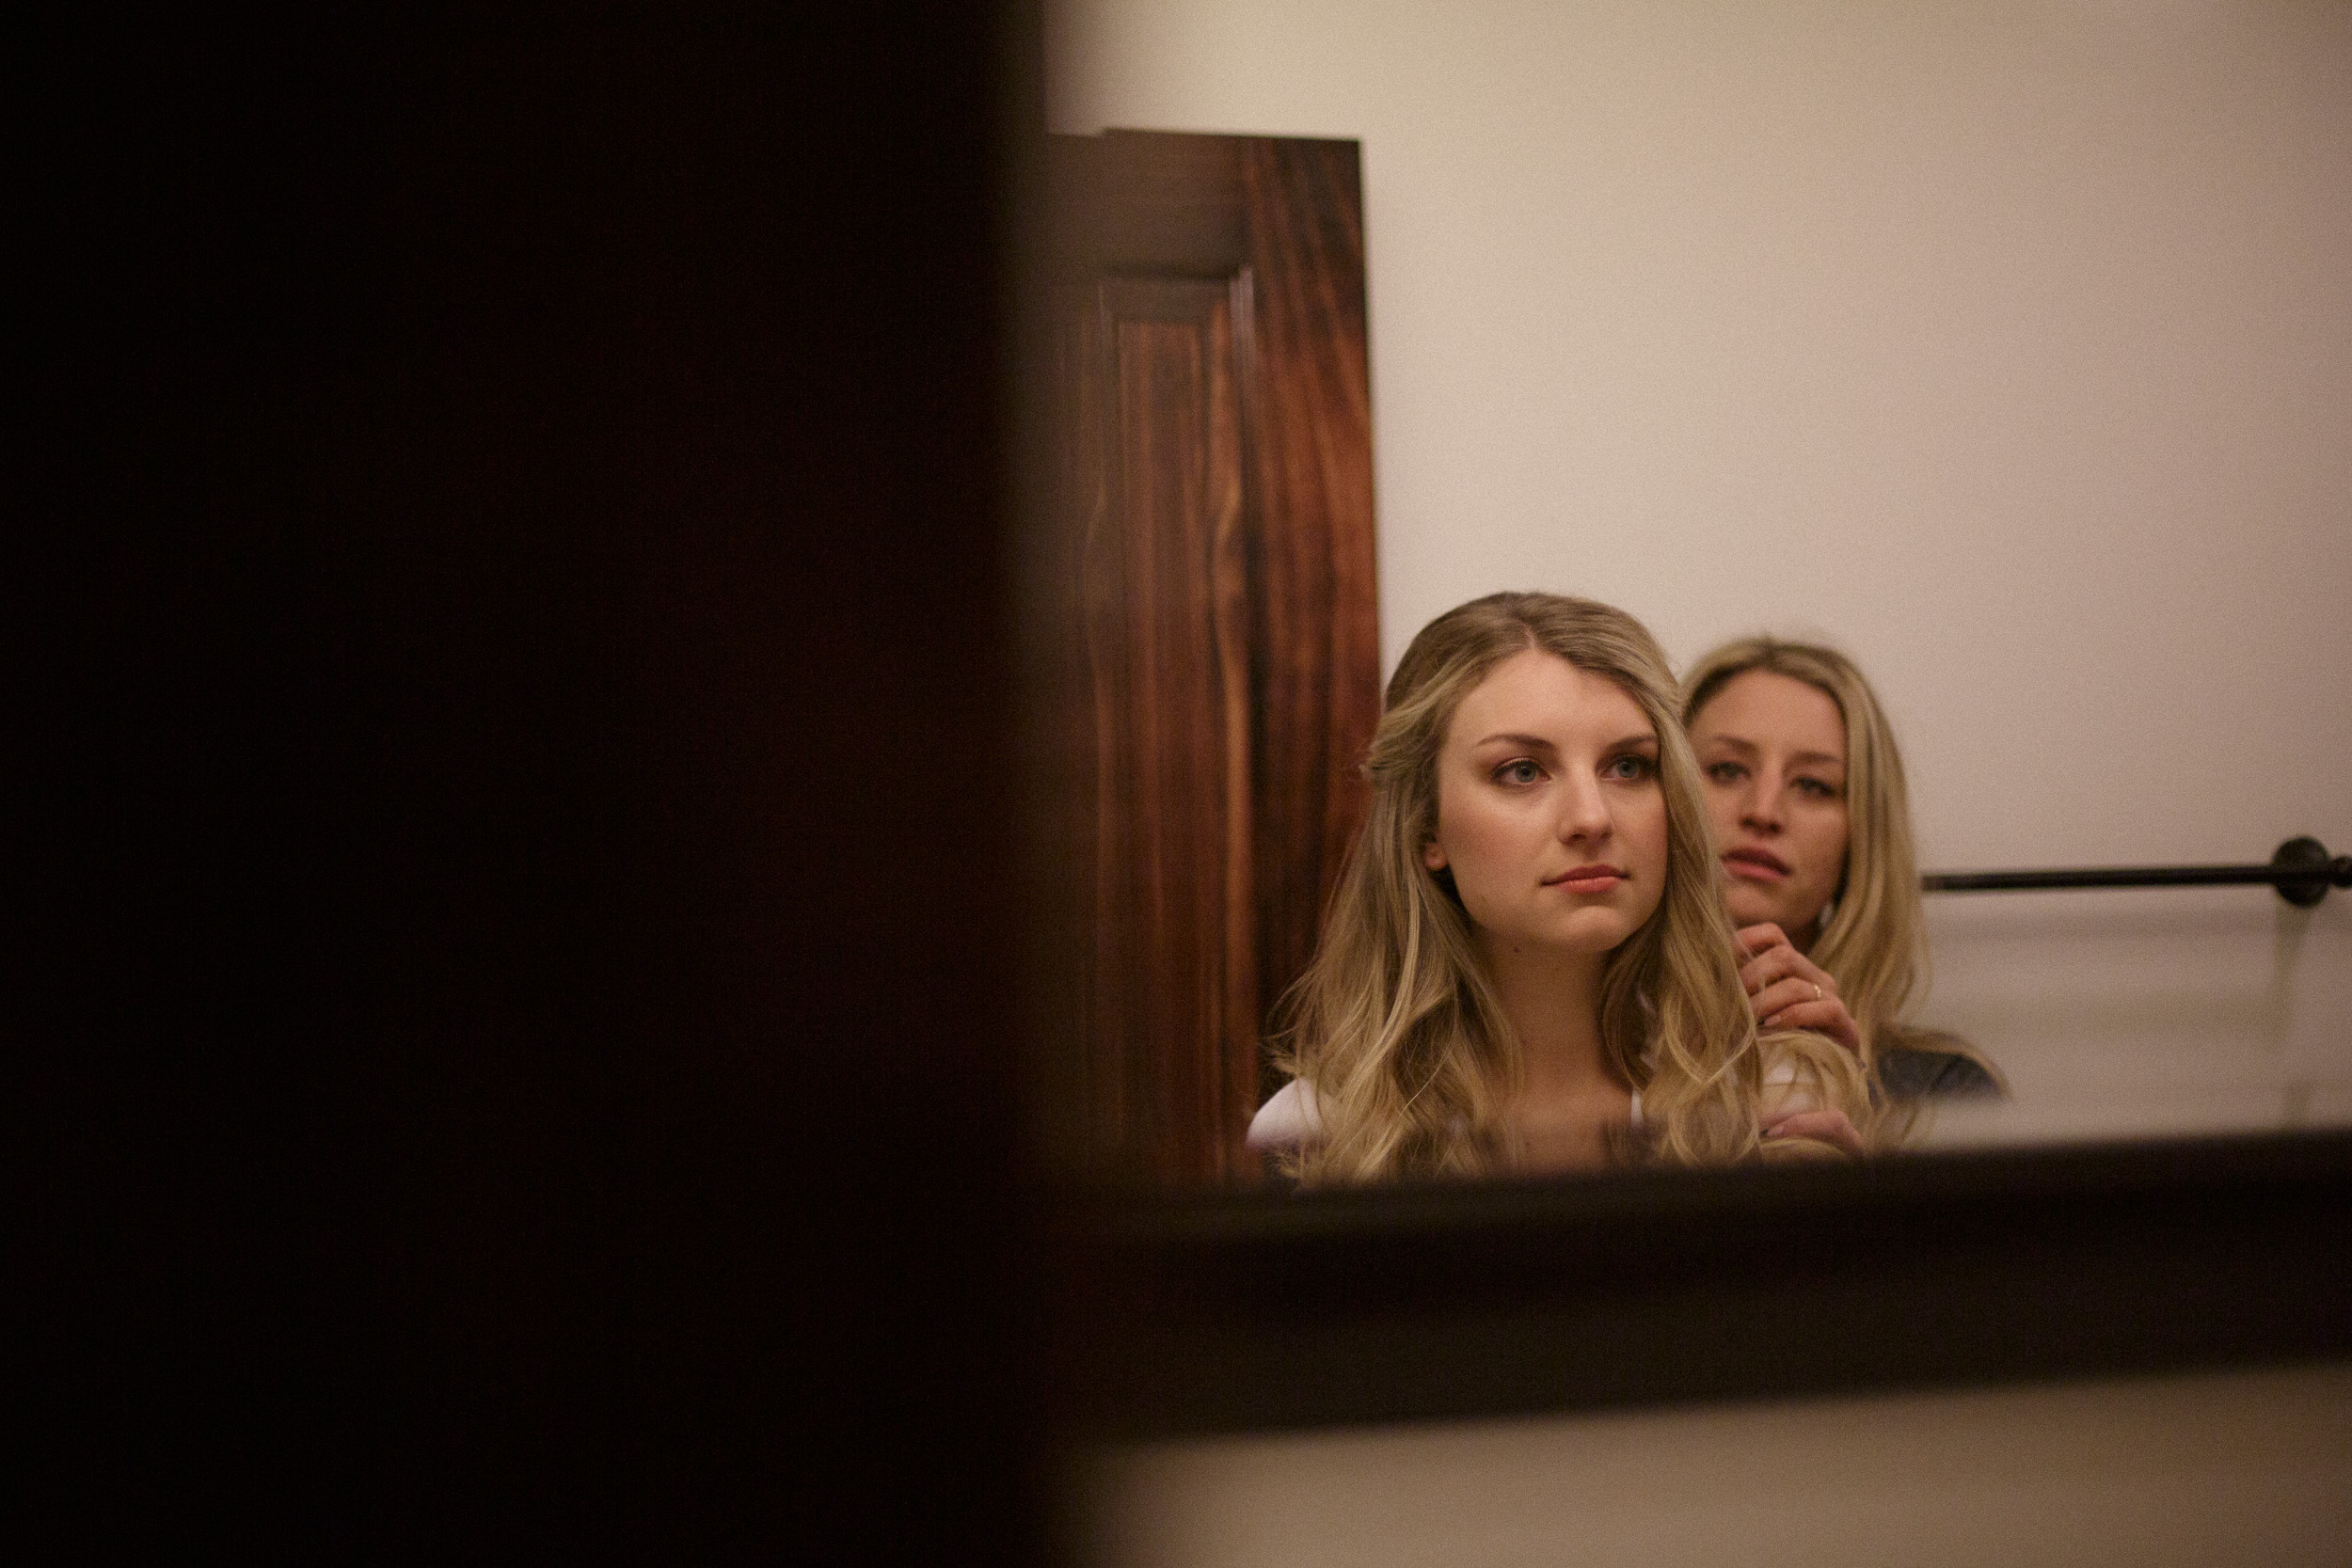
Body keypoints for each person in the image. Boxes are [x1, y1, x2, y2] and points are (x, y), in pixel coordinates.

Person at [1248, 593, 1872, 1183]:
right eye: (1521, 770)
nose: (1593, 817)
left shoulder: (1762, 1097)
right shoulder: (1317, 1138)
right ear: (1425, 827)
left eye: (1628, 766)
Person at [1680, 638, 2002, 1109]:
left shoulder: (1939, 1089)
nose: (1764, 812)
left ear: (1859, 837)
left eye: (1813, 785)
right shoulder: (1570, 1065)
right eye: (1728, 770)